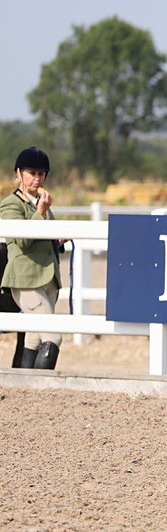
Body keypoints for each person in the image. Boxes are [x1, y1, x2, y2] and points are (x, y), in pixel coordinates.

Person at [1, 147, 63, 369]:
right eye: (32, 173)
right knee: (53, 337)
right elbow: (23, 241)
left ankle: (25, 385)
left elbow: (47, 238)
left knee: (34, 338)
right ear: (18, 173)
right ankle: (41, 388)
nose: (37, 179)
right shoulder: (11, 204)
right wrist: (41, 211)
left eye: (41, 174)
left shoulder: (40, 201)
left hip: (48, 279)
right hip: (26, 280)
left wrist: (59, 240)